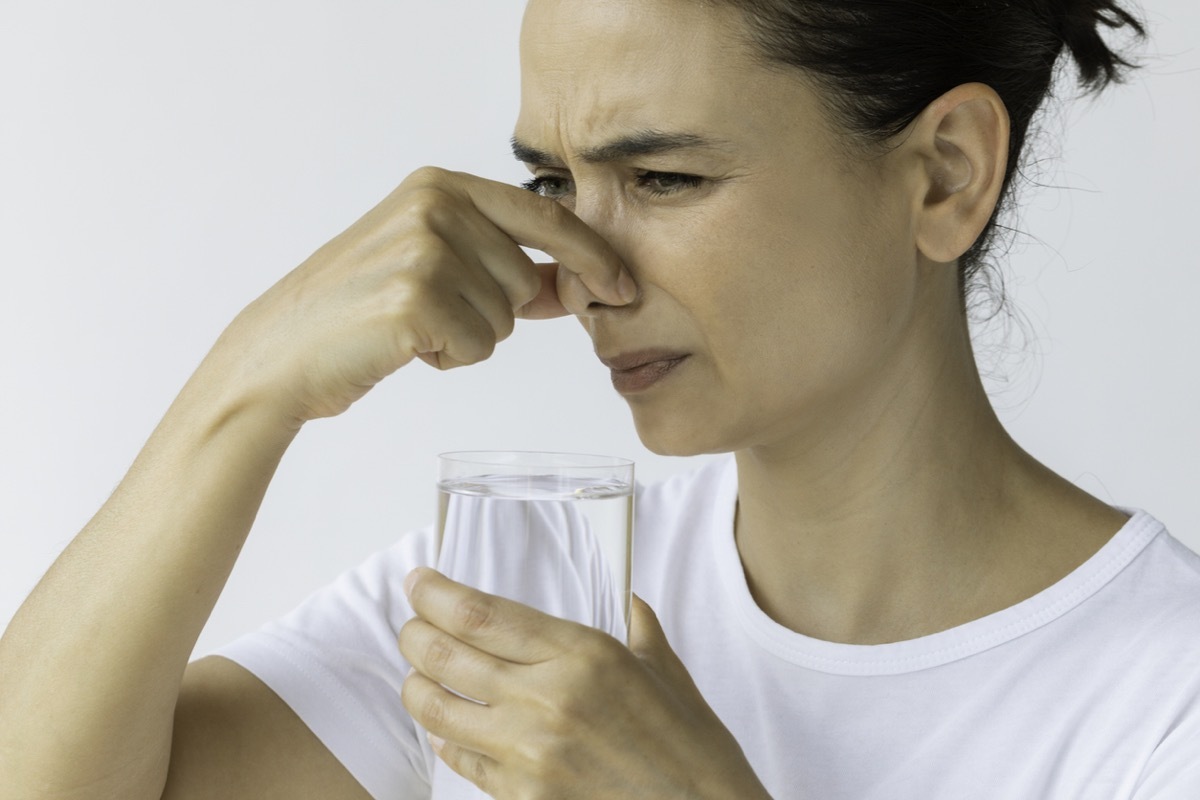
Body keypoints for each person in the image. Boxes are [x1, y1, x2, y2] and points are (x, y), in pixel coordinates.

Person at [2, 0, 1196, 798]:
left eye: (665, 176)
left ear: (944, 176)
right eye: (554, 182)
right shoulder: (527, 608)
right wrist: (245, 381)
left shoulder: (1160, 700)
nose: (583, 271)